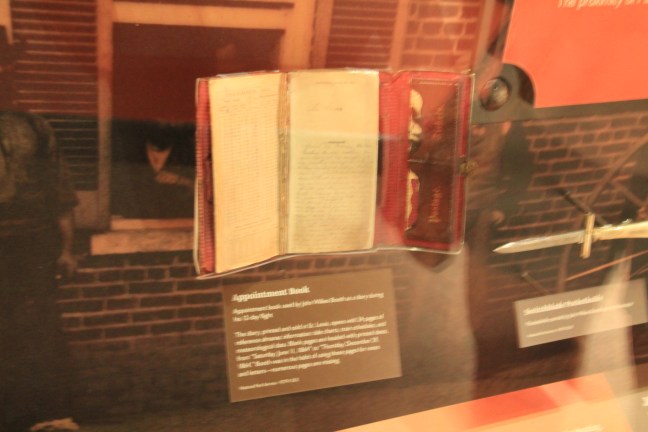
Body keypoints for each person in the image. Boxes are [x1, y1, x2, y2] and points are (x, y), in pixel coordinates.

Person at [0, 27, 80, 432]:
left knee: (39, 328)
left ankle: (48, 416)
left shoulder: (35, 127)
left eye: (5, 66)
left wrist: (66, 249)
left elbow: (60, 194)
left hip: (32, 244)